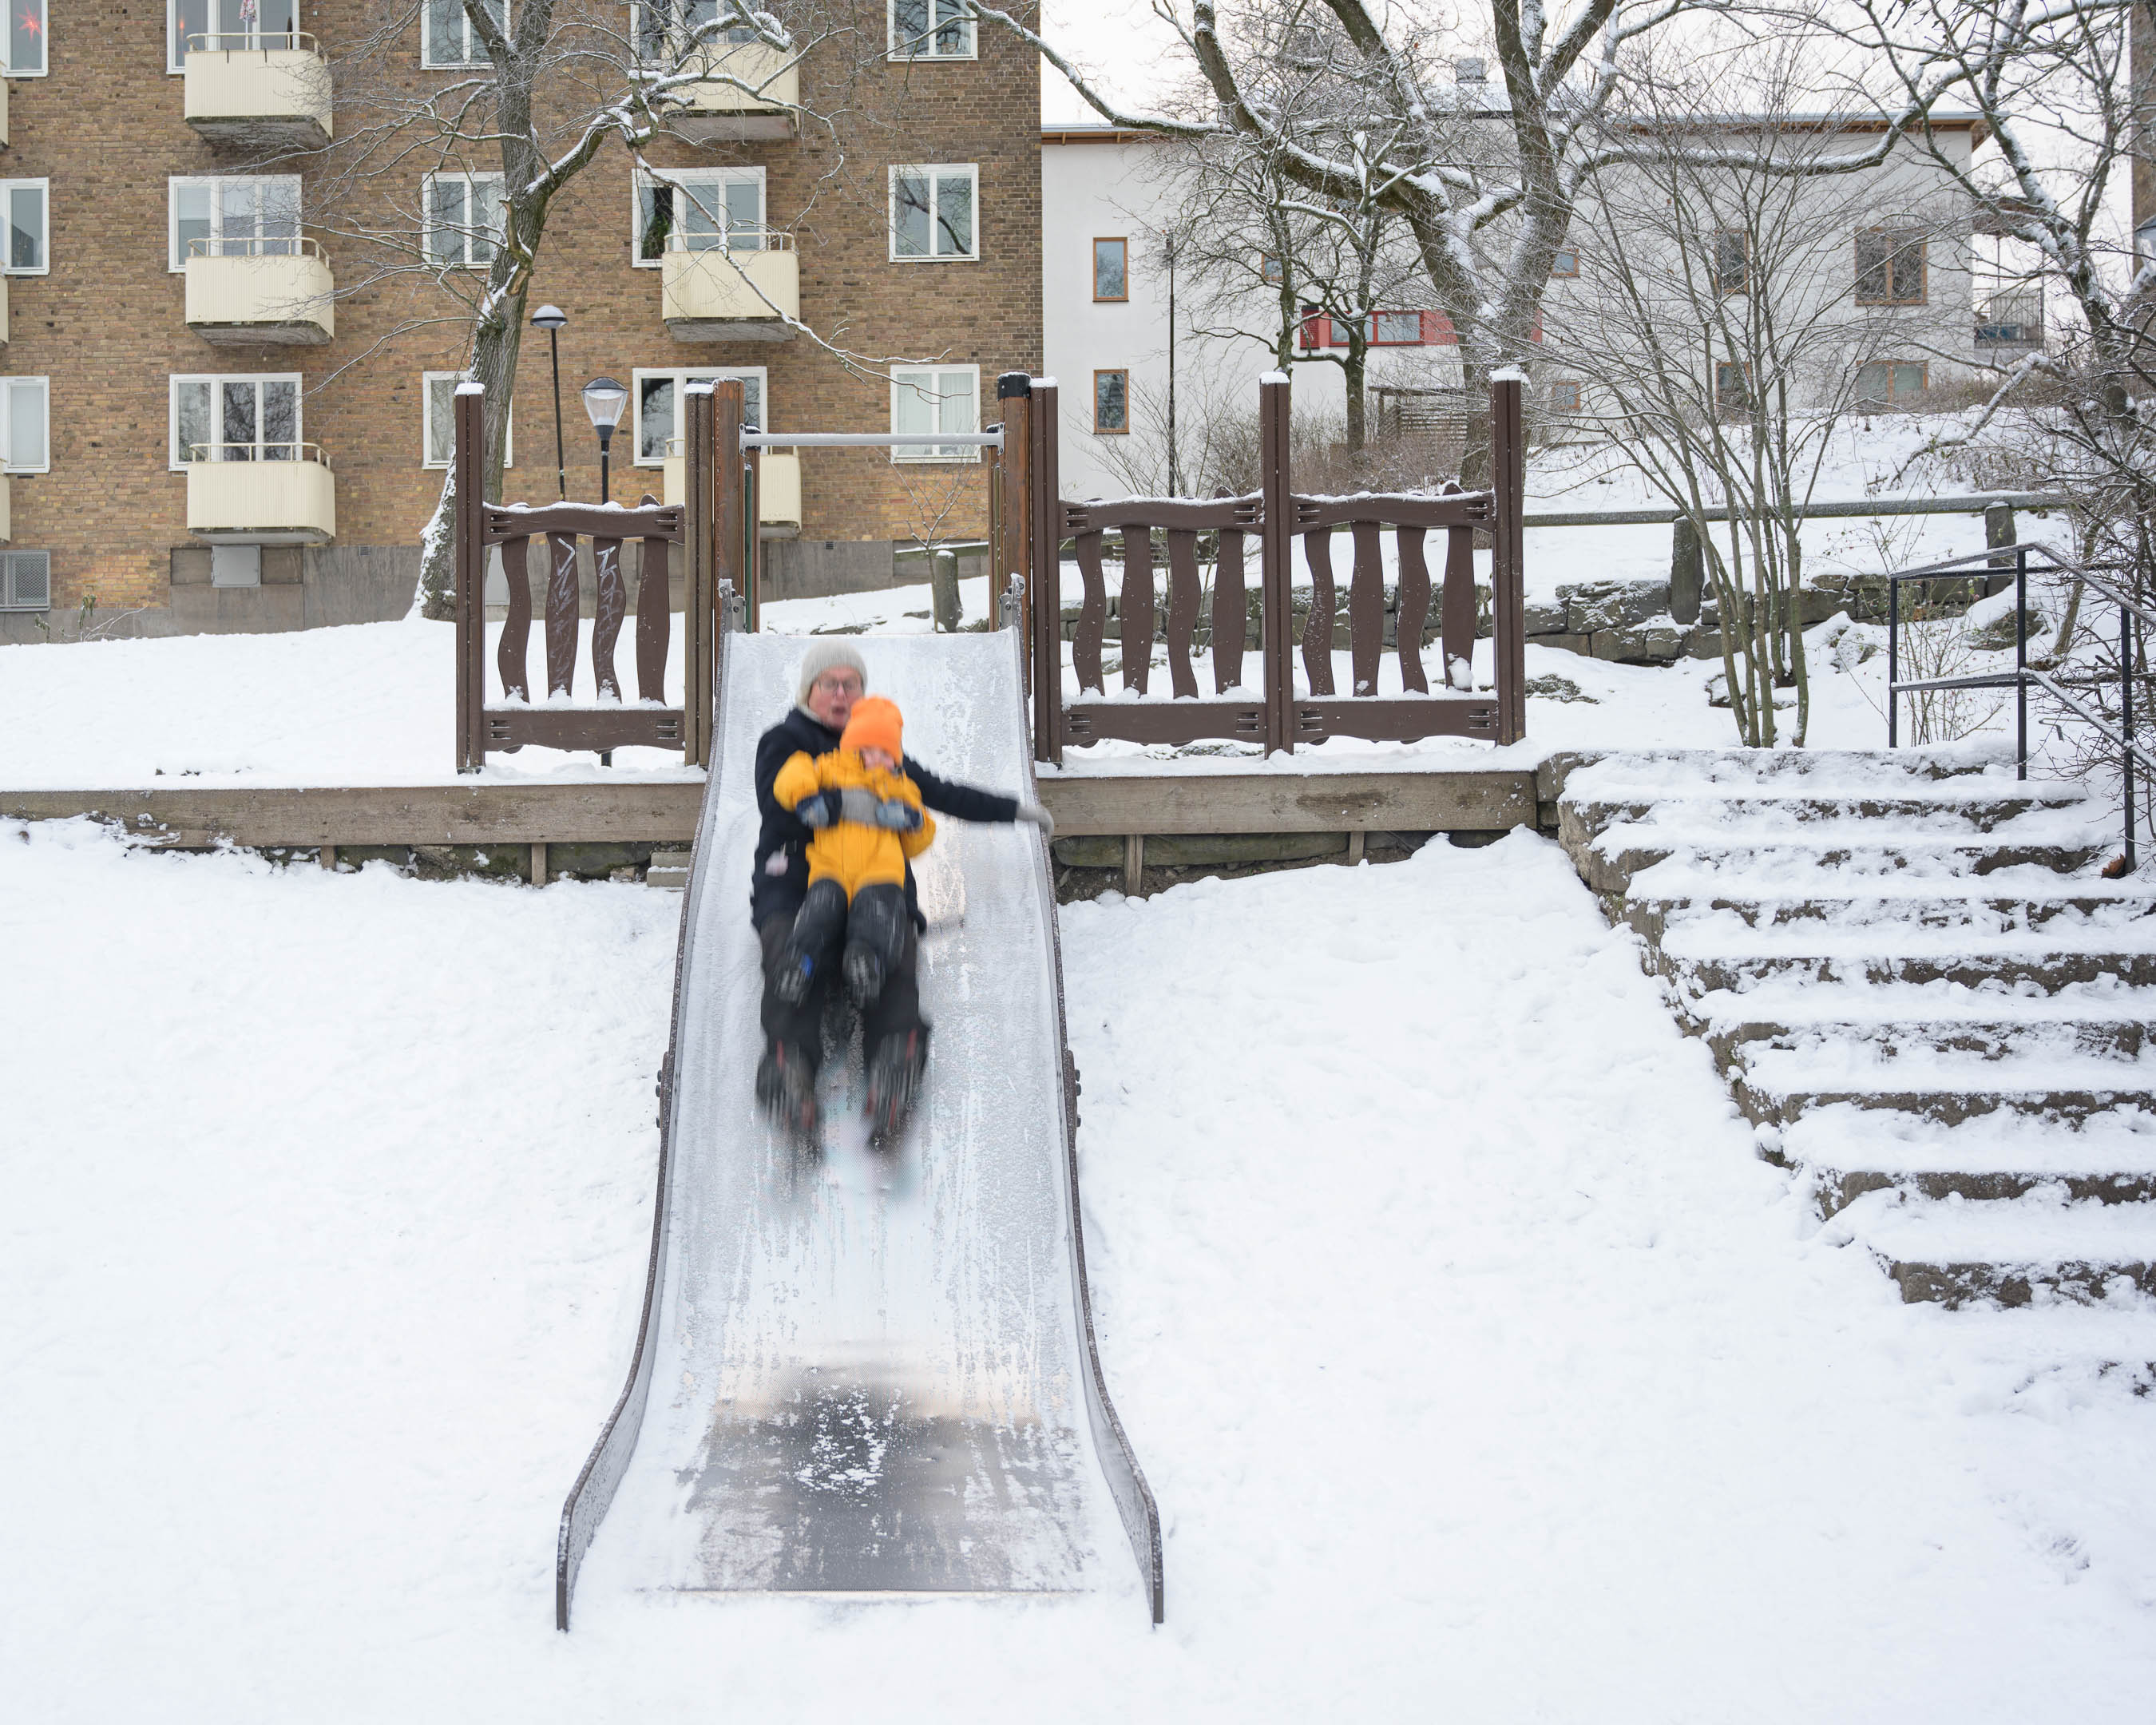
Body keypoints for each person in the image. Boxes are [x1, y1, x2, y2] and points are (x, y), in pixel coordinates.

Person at [751, 642, 1052, 1140]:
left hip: (875, 880)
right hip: (801, 874)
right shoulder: (786, 741)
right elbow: (777, 804)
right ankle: (789, 1065)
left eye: (852, 684)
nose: (842, 693)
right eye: (831, 683)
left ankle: (896, 1053)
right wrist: (863, 803)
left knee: (892, 947)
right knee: (788, 947)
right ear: (810, 691)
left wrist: (1012, 810)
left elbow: (939, 793)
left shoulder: (880, 751)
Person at [770, 695, 934, 1012]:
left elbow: (920, 839)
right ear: (855, 747)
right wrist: (806, 797)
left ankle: (865, 960)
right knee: (818, 912)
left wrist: (913, 822)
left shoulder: (900, 786)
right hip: (829, 869)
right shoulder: (828, 769)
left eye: (890, 753)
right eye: (875, 750)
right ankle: (798, 963)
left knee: (878, 916)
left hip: (880, 873)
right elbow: (792, 772)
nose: (884, 760)